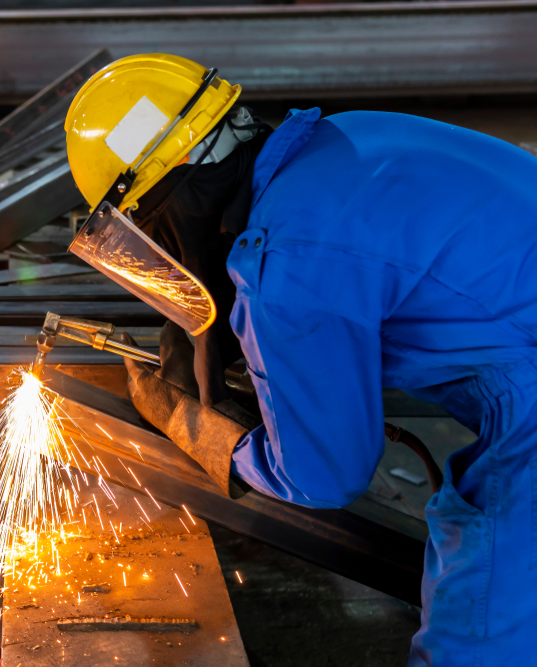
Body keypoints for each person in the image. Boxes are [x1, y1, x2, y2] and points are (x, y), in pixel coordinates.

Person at [64, 53, 537, 666]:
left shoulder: (283, 264)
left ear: (165, 203)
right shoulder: (344, 137)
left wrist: (203, 433)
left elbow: (325, 476)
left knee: (475, 641)